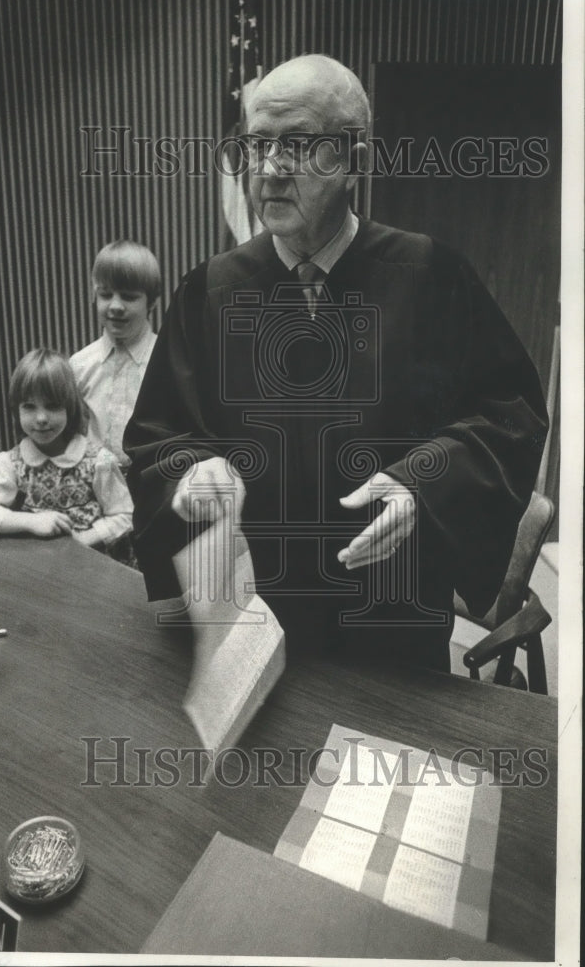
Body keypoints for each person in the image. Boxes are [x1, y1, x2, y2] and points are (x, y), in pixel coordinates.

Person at [124, 54, 549, 672]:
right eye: (256, 144)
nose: (268, 170)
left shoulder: (430, 276)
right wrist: (188, 478)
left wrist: (421, 481)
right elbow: (158, 438)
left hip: (391, 628)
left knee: (374, 768)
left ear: (352, 159)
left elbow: (507, 415)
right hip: (249, 620)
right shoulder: (210, 292)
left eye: (295, 145)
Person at [0, 348, 134, 562]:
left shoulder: (99, 462)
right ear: (17, 411)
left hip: (93, 566)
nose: (41, 418)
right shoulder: (10, 463)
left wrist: (84, 540)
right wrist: (31, 522)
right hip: (39, 567)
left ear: (70, 408)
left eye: (53, 406)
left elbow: (125, 515)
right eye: (29, 406)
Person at [70, 241, 161, 473]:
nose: (116, 306)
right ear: (94, 296)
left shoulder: (168, 362)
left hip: (153, 485)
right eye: (106, 294)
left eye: (129, 297)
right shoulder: (79, 366)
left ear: (152, 302)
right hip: (93, 487)